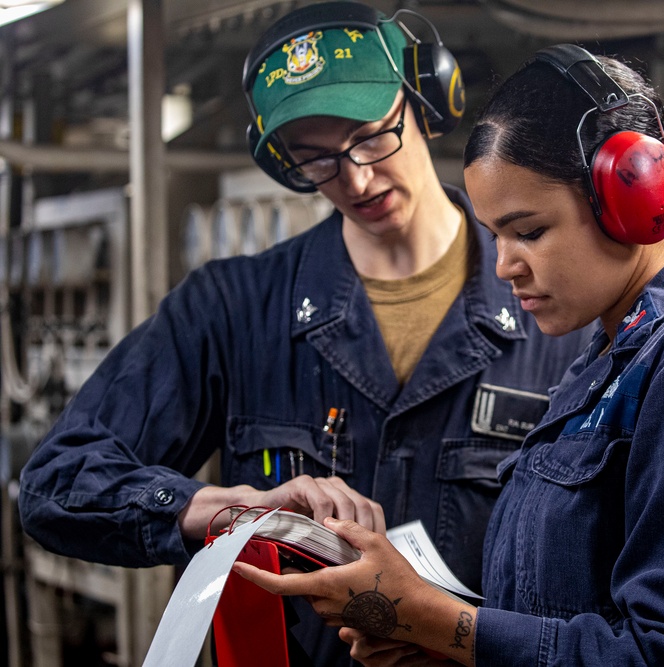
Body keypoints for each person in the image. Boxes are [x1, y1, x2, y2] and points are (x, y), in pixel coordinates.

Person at [17, 5, 591, 665]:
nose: (356, 179)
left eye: (373, 137)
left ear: (426, 100)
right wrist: (218, 508)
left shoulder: (559, 309)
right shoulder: (233, 308)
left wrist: (455, 633)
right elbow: (56, 483)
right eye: (315, 161)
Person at [234, 44, 664, 666]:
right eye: (495, 237)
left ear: (628, 196)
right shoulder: (607, 362)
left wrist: (434, 617)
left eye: (529, 232)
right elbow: (565, 617)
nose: (505, 267)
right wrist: (438, 643)